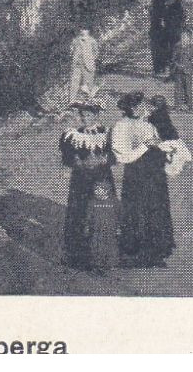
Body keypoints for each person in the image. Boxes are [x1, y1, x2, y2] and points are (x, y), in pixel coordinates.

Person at [111, 91, 175, 268]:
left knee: (155, 210)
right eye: (136, 106)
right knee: (137, 211)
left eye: (141, 105)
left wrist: (166, 150)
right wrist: (146, 145)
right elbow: (122, 157)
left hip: (154, 174)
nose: (140, 108)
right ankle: (137, 252)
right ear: (128, 108)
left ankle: (156, 252)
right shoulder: (121, 126)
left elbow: (161, 141)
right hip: (136, 176)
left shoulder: (147, 122)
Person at [59, 100, 116, 271]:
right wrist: (77, 161)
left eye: (90, 115)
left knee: (101, 216)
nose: (86, 118)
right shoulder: (71, 135)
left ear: (97, 115)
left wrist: (104, 159)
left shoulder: (108, 134)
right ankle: (77, 257)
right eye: (83, 115)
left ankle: (100, 260)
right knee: (78, 214)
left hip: (102, 180)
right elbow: (67, 157)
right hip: (81, 181)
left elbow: (116, 155)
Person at [148, 0, 174, 77]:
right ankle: (158, 69)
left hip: (163, 26)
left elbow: (167, 11)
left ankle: (166, 68)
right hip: (155, 25)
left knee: (164, 47)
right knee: (155, 47)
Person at [68, 26, 100, 106]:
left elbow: (96, 52)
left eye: (85, 29)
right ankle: (72, 101)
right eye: (81, 29)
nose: (83, 31)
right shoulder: (75, 40)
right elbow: (71, 51)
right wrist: (75, 57)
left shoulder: (92, 41)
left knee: (88, 83)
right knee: (74, 82)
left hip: (88, 65)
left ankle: (89, 102)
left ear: (88, 31)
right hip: (77, 65)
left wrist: (90, 59)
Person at [170, 30, 193, 111]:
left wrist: (188, 65)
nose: (183, 38)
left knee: (187, 89)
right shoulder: (177, 47)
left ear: (189, 38)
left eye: (185, 37)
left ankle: (189, 106)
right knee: (178, 89)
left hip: (187, 72)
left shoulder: (192, 48)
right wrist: (177, 65)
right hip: (178, 72)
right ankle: (177, 105)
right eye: (182, 37)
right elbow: (173, 58)